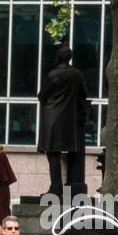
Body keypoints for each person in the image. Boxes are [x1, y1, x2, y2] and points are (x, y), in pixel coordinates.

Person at [37, 43, 89, 202]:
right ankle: (65, 186)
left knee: (53, 154)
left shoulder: (53, 74)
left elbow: (42, 96)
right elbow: (84, 95)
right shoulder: (77, 74)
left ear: (58, 57)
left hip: (53, 119)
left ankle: (56, 187)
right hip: (70, 121)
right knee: (72, 153)